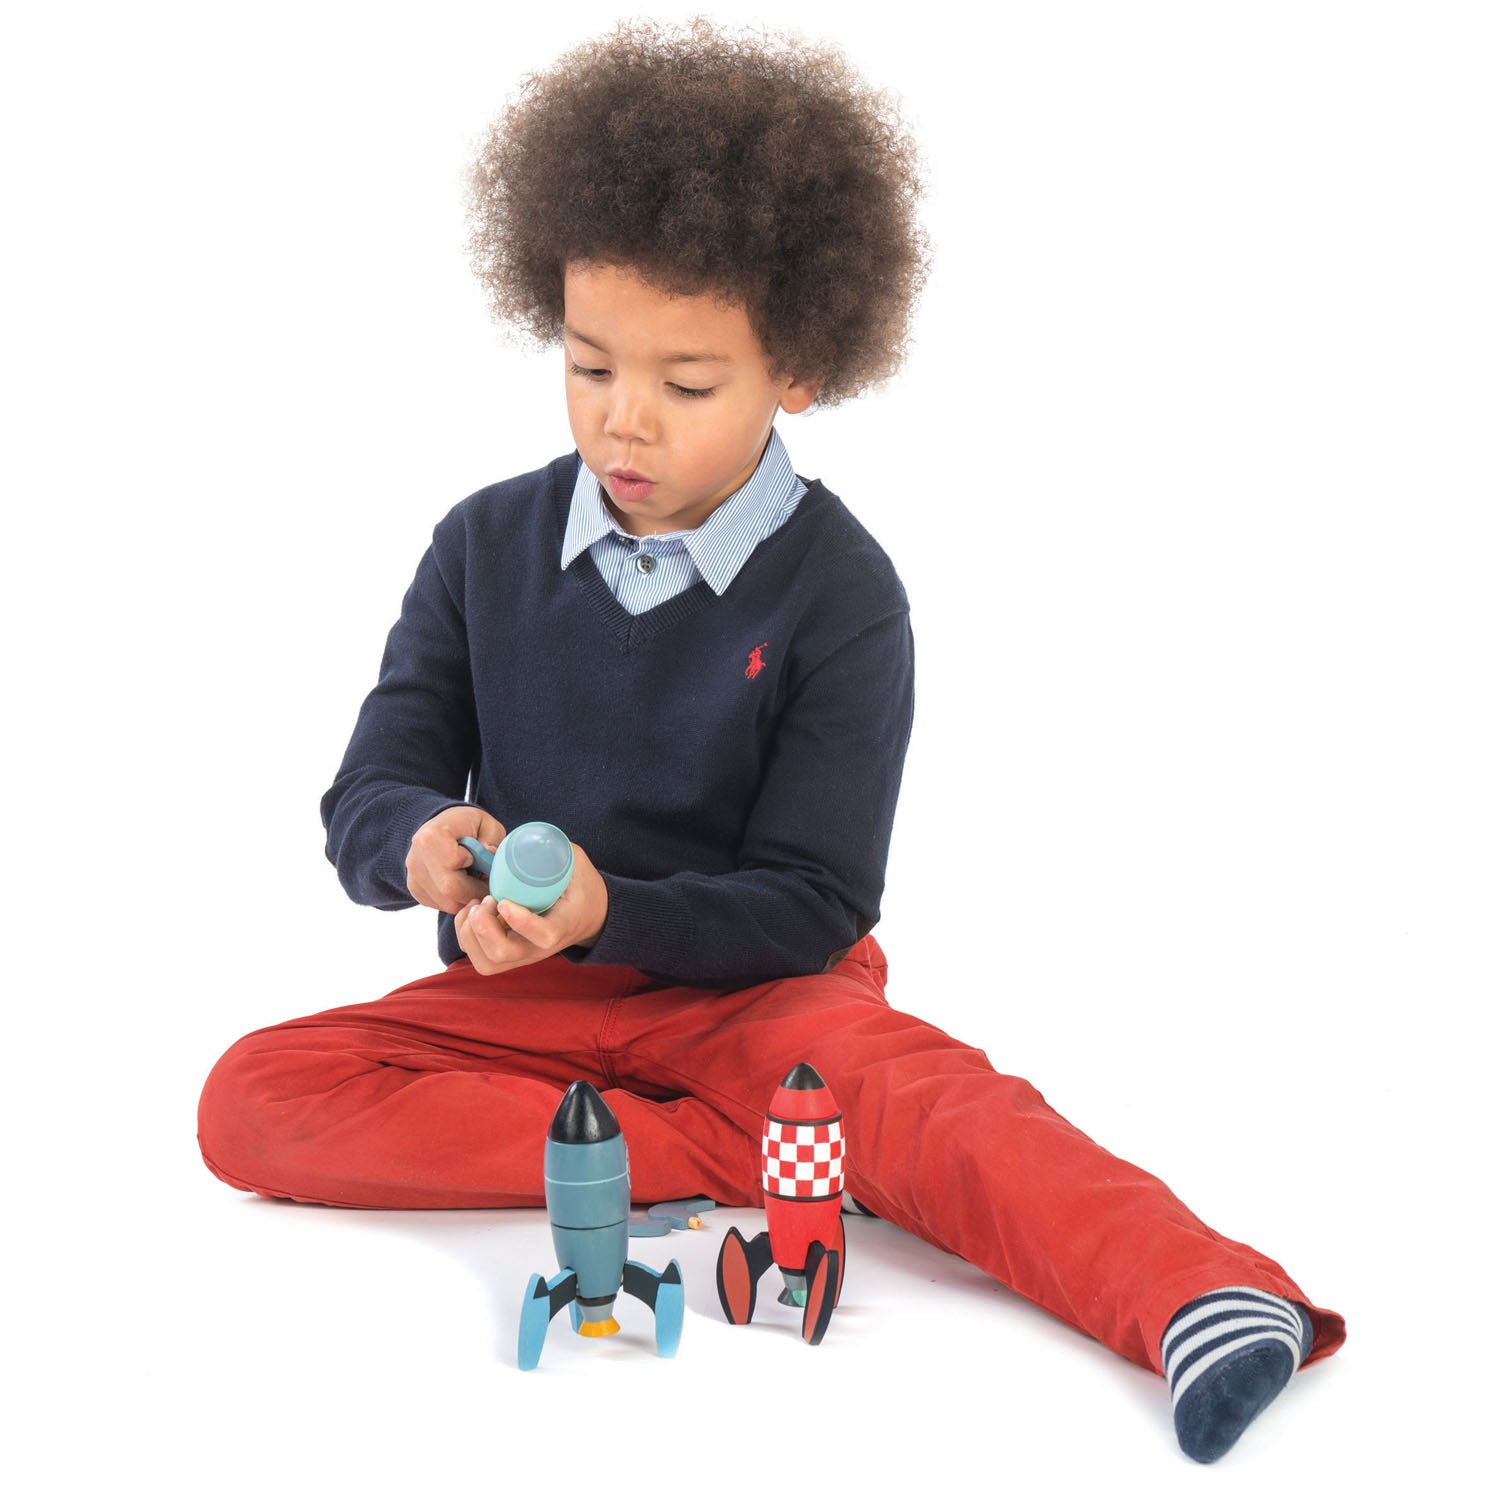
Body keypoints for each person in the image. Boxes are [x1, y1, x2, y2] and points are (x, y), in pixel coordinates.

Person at [196, 19, 1343, 1462]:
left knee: (927, 1102)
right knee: (255, 1101)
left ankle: (1204, 1295)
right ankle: (727, 1148)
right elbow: (376, 780)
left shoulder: (842, 594)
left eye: (686, 386)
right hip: (526, 1014)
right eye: (587, 363)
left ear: (795, 368)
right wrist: (417, 845)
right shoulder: (481, 546)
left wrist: (621, 913)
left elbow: (813, 898)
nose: (625, 423)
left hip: (762, 993)